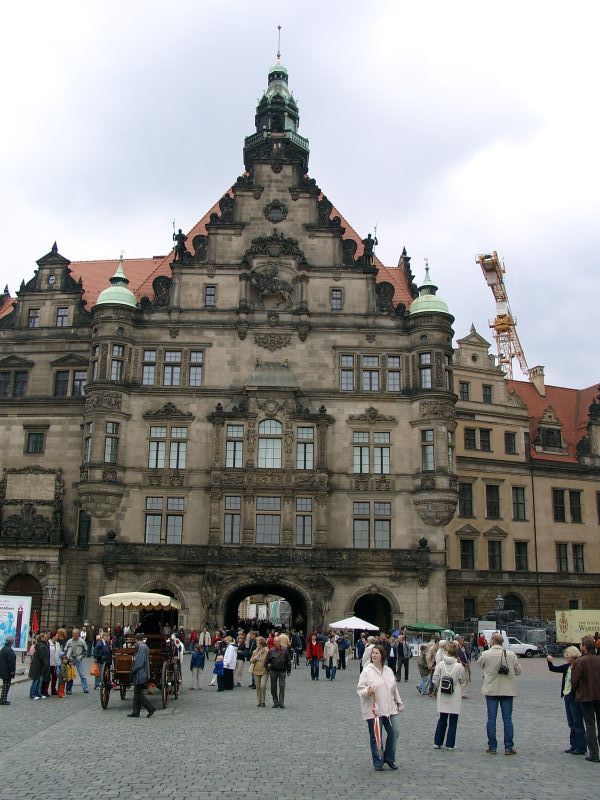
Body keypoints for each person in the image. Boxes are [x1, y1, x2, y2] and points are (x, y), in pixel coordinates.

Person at [357, 644, 404, 770]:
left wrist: (398, 702)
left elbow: (394, 689)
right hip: (374, 710)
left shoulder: (389, 670)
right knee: (376, 736)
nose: (374, 655)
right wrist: (368, 691)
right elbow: (360, 690)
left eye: (377, 653)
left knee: (395, 732)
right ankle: (378, 760)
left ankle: (389, 757)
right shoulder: (367, 671)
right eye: (373, 653)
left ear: (382, 655)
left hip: (390, 708)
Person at [479, 632, 521, 755]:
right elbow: (518, 670)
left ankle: (492, 747)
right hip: (507, 690)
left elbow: (480, 664)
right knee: (507, 719)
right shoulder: (511, 654)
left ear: (492, 641)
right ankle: (508, 747)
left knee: (491, 719)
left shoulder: (486, 654)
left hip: (491, 690)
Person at [547, 647, 586, 755]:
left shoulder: (578, 666)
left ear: (573, 655)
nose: (566, 657)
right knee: (571, 722)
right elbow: (553, 669)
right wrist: (549, 662)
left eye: (567, 655)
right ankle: (574, 745)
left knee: (577, 722)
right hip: (567, 696)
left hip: (575, 697)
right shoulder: (567, 666)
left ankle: (581, 746)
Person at [570, 635, 600, 762]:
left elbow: (575, 681)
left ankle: (594, 753)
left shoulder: (580, 661)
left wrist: (573, 692)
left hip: (586, 696)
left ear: (584, 647)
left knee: (590, 725)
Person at [432, 641, 466, 750]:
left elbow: (435, 679)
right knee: (453, 720)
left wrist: (440, 685)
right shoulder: (459, 666)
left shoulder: (441, 664)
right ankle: (450, 744)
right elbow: (463, 681)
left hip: (443, 693)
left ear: (446, 652)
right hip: (454, 693)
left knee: (442, 718)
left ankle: (437, 742)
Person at [127, 633, 156, 718]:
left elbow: (139, 661)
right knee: (136, 693)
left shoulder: (142, 647)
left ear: (136, 639)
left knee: (138, 693)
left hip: (140, 673)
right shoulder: (144, 646)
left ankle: (151, 708)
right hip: (142, 672)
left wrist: (134, 670)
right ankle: (136, 712)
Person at [265, 635, 291, 709]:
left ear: (280, 642)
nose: (277, 642)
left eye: (278, 641)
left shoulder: (285, 649)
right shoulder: (271, 650)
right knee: (273, 687)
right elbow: (267, 661)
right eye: (275, 641)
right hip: (273, 671)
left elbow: (288, 660)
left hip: (282, 671)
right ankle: (275, 702)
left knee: (282, 686)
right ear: (274, 642)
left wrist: (289, 670)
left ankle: (281, 702)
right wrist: (267, 668)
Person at [64, 628, 89, 693]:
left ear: (78, 634)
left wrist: (82, 656)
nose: (75, 635)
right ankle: (69, 689)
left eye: (76, 633)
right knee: (70, 675)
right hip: (70, 659)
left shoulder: (82, 641)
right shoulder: (69, 641)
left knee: (82, 674)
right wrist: (66, 656)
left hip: (78, 659)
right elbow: (65, 649)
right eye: (74, 633)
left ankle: (85, 688)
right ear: (72, 634)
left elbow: (86, 650)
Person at [29, 632, 50, 700]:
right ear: (41, 638)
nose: (46, 637)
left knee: (39, 680)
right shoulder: (41, 646)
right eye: (44, 636)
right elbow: (43, 657)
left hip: (40, 666)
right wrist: (46, 664)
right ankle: (32, 694)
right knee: (36, 681)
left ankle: (38, 693)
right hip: (37, 666)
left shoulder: (42, 644)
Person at [250, 636, 269, 707]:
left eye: (258, 643)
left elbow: (270, 660)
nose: (257, 644)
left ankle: (263, 701)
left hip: (264, 671)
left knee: (262, 686)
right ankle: (259, 701)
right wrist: (256, 657)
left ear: (261, 644)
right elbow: (251, 661)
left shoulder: (267, 651)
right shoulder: (255, 652)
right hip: (256, 671)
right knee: (258, 687)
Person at [0, 635, 16, 705]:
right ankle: (3, 699)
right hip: (7, 671)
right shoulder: (9, 650)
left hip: (3, 670)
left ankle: (2, 698)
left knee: (5, 685)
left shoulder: (3, 649)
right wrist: (12, 671)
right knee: (6, 686)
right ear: (11, 642)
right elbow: (11, 663)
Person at [48, 631, 62, 696]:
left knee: (55, 678)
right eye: (56, 636)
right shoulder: (48, 643)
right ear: (53, 636)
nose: (57, 637)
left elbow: (59, 653)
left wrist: (64, 655)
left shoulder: (58, 644)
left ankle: (53, 690)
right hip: (49, 663)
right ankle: (44, 691)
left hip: (56, 664)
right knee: (47, 678)